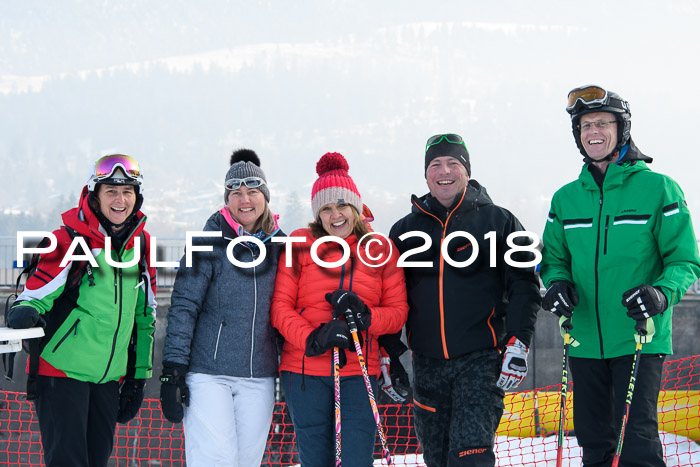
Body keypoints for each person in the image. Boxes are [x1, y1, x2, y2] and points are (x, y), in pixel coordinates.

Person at [540, 85, 700, 466]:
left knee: (637, 440)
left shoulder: (659, 188)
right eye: (584, 126)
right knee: (594, 441)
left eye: (601, 123)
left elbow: (685, 261)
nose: (592, 131)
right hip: (582, 340)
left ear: (622, 128)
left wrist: (661, 293)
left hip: (638, 336)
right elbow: (553, 260)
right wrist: (557, 283)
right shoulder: (566, 198)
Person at [388, 134, 541, 466]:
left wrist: (519, 342)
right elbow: (387, 295)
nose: (444, 171)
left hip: (480, 362)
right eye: (435, 164)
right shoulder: (404, 231)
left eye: (453, 163)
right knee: (438, 459)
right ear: (426, 175)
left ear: (467, 171)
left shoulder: (500, 221)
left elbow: (525, 286)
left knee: (471, 456)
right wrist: (390, 354)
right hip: (427, 366)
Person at [6, 154, 157, 467]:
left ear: (136, 197)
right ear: (94, 195)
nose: (120, 199)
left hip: (107, 379)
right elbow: (37, 292)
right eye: (111, 191)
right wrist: (24, 310)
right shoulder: (67, 240)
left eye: (127, 191)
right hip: (62, 373)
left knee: (97, 460)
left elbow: (146, 318)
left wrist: (137, 377)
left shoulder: (141, 247)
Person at [271, 152, 408, 467]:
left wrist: (366, 317)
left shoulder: (382, 251)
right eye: (326, 209)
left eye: (342, 206)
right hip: (305, 372)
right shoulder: (299, 244)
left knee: (356, 460)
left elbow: (398, 311)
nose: (335, 216)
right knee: (315, 459)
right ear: (317, 214)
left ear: (356, 208)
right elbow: (280, 307)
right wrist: (314, 338)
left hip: (358, 373)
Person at [160, 149, 285, 467]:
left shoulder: (282, 245)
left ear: (265, 196)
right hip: (208, 373)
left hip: (259, 374)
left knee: (247, 461)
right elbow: (184, 306)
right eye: (236, 192)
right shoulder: (207, 241)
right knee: (215, 459)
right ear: (227, 198)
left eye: (253, 191)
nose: (245, 200)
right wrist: (173, 371)